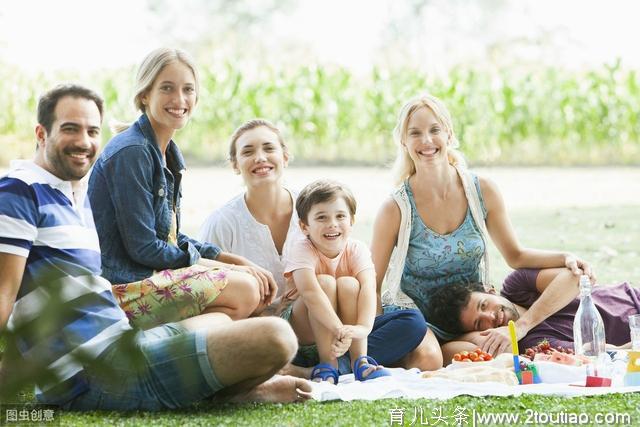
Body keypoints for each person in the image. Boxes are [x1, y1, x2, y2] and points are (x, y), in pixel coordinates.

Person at [0, 84, 310, 409]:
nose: (85, 141)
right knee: (277, 337)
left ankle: (237, 388)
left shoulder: (68, 194)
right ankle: (239, 392)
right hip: (94, 372)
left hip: (126, 342)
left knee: (236, 325)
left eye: (92, 131)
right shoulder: (19, 193)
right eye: (70, 129)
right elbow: (5, 296)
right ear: (41, 133)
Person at [370, 93, 594, 366]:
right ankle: (420, 351)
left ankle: (444, 350)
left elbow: (516, 255)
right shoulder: (396, 208)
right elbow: (373, 282)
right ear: (404, 142)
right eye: (415, 133)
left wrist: (565, 257)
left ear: (449, 135)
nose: (426, 141)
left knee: (494, 354)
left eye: (434, 130)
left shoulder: (481, 191)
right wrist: (376, 336)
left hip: (470, 315)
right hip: (418, 316)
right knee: (429, 359)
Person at [198, 119, 427, 375]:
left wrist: (356, 328)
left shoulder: (315, 206)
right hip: (275, 329)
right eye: (248, 152)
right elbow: (211, 293)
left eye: (269, 148)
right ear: (235, 164)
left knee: (412, 323)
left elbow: (364, 284)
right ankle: (319, 363)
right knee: (321, 288)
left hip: (342, 320)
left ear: (285, 157)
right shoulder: (222, 223)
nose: (260, 157)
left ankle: (333, 366)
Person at [88, 48, 275, 330]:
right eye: (167, 88)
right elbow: (145, 248)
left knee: (251, 292)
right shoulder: (132, 151)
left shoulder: (168, 154)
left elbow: (169, 238)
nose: (179, 99)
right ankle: (162, 350)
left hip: (149, 279)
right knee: (246, 290)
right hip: (123, 288)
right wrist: (226, 268)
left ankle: (192, 349)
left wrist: (231, 259)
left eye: (188, 89)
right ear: (144, 95)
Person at [281, 179, 392, 383]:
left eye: (340, 216)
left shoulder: (357, 249)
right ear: (305, 226)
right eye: (321, 217)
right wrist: (339, 329)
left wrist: (362, 328)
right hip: (304, 336)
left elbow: (369, 288)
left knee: (351, 284)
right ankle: (328, 365)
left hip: (343, 338)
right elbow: (310, 293)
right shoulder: (302, 249)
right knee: (323, 282)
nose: (332, 223)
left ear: (351, 221)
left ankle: (360, 361)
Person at [426, 268, 637, 357]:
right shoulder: (532, 345)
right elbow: (592, 351)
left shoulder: (516, 286)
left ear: (489, 290)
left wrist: (521, 325)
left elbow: (575, 278)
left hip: (632, 297)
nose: (491, 317)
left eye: (484, 305)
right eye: (480, 324)